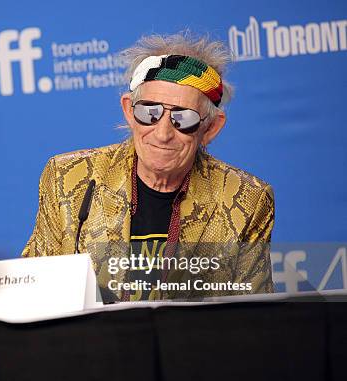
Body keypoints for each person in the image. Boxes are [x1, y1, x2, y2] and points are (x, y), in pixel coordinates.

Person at [22, 33, 275, 301]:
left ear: (210, 127)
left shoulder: (247, 199)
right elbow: (32, 292)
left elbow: (253, 318)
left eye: (183, 118)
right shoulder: (68, 178)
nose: (162, 133)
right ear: (129, 112)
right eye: (149, 112)